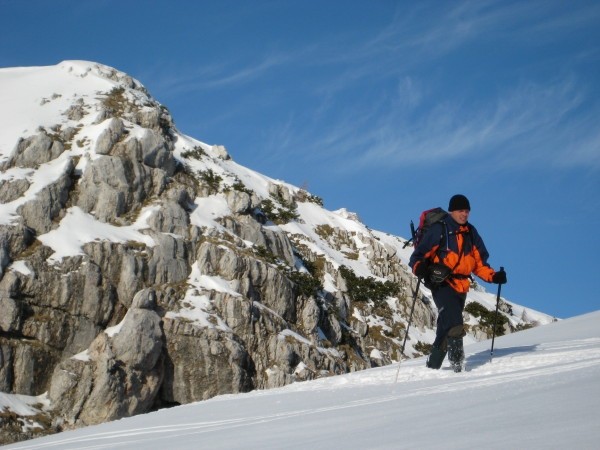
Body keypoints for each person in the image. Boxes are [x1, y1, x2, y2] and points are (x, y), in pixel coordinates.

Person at [409, 194, 507, 372]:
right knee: (455, 323)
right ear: (451, 211)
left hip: (462, 286)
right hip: (441, 283)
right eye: (461, 211)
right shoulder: (440, 229)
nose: (464, 214)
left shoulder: (471, 232)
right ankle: (458, 367)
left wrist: (493, 276)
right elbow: (418, 257)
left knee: (446, 328)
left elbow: (479, 264)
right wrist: (420, 267)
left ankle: (432, 367)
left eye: (467, 211)